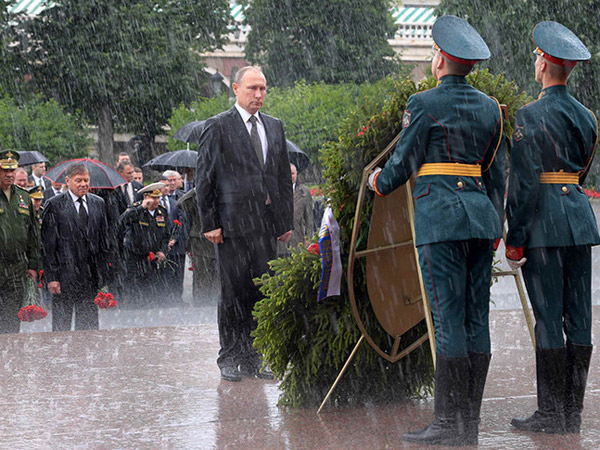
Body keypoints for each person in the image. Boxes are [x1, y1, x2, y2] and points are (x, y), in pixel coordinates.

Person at [367, 16, 505, 446]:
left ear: (441, 59)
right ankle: (470, 422)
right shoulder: (490, 107)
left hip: (441, 218)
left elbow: (401, 166)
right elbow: (494, 171)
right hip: (481, 219)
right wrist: (496, 220)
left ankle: (448, 423)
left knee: (446, 320)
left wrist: (375, 180)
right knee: (475, 317)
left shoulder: (423, 102)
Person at [505, 21, 599, 435]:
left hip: (543, 225)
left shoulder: (528, 116)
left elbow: (524, 185)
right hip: (579, 222)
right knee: (578, 317)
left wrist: (515, 239)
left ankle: (550, 413)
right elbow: (581, 172)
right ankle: (571, 413)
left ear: (544, 64)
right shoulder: (587, 116)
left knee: (548, 318)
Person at [196, 66, 293, 382]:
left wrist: (284, 221)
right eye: (252, 88)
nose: (259, 95)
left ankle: (256, 356)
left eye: (263, 88)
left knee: (262, 291)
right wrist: (210, 222)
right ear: (236, 89)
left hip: (265, 226)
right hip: (232, 225)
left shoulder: (275, 127)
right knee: (233, 292)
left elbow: (280, 178)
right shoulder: (218, 126)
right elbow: (205, 177)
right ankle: (230, 356)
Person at [41, 162, 111, 331]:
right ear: (68, 181)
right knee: (62, 325)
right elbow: (48, 244)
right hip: (64, 275)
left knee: (88, 325)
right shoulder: (55, 204)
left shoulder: (98, 203)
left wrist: (104, 274)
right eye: (78, 180)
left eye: (86, 180)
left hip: (90, 275)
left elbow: (104, 239)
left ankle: (87, 355)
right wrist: (52, 277)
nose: (83, 184)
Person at [0, 150, 40, 333]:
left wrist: (33, 264)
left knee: (11, 321)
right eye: (4, 170)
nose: (9, 174)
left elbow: (33, 233)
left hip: (17, 268)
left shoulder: (23, 197)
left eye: (12, 170)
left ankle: (9, 358)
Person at [117, 183, 171, 305]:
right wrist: (141, 208)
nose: (156, 201)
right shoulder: (136, 209)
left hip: (151, 256)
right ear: (146, 197)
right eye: (154, 198)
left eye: (158, 197)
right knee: (132, 287)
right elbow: (122, 221)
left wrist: (163, 251)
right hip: (134, 255)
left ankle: (148, 312)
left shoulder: (162, 212)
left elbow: (166, 234)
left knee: (150, 288)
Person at [177, 187, 219, 302]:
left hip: (220, 243)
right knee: (202, 283)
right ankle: (201, 310)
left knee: (218, 284)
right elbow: (181, 203)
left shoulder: (224, 191)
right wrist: (197, 188)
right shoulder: (199, 194)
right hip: (201, 245)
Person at [277, 163, 314, 257]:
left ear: (297, 174)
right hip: (280, 244)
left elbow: (309, 219)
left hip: (298, 241)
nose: (290, 176)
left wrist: (308, 238)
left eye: (292, 173)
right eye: (288, 173)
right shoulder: (276, 191)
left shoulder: (304, 192)